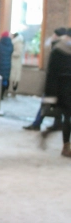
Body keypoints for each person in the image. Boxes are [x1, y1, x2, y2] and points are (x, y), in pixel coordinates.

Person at [23, 27, 67, 131]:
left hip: (55, 84)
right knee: (56, 106)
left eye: (54, 34)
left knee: (46, 104)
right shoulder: (61, 47)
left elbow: (53, 69)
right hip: (60, 84)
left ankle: (37, 124)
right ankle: (56, 124)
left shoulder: (58, 48)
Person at [41, 28, 71, 157]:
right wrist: (49, 96)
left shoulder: (58, 49)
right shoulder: (58, 50)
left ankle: (55, 134)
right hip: (63, 90)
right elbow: (51, 75)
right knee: (67, 118)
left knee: (65, 118)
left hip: (64, 89)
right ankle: (66, 146)